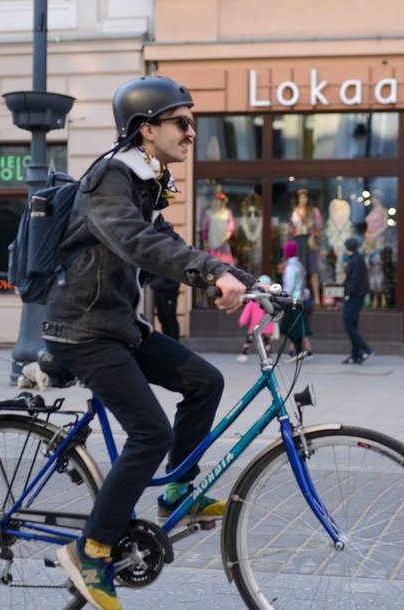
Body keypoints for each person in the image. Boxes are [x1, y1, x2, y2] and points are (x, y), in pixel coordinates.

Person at [42, 75, 256, 610]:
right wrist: (209, 274)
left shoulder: (141, 179)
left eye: (192, 122)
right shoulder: (109, 180)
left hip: (119, 327)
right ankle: (91, 550)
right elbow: (135, 241)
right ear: (145, 129)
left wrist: (235, 275)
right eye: (182, 122)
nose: (190, 132)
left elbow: (163, 239)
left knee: (204, 381)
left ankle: (178, 491)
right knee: (149, 433)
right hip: (84, 330)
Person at [279, 239, 313, 360]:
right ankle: (299, 351)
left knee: (288, 328)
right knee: (297, 328)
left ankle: (298, 351)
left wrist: (283, 298)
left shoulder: (290, 267)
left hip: (292, 301)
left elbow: (290, 285)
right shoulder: (299, 265)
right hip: (300, 299)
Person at [341, 237, 373, 364]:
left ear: (349, 248)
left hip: (354, 297)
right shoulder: (356, 259)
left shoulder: (356, 261)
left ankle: (365, 349)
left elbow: (355, 280)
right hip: (355, 296)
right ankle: (356, 355)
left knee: (348, 326)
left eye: (345, 246)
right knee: (352, 326)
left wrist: (348, 294)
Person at [236, 275, 274, 362]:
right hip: (267, 324)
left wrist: (242, 321)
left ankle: (244, 354)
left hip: (255, 325)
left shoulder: (254, 298)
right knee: (267, 342)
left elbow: (247, 311)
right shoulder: (271, 298)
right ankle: (268, 357)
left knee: (249, 340)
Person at [149, 274, 181, 341]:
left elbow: (175, 285)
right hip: (160, 297)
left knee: (170, 317)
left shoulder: (170, 270)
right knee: (162, 318)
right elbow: (153, 284)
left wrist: (160, 285)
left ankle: (174, 340)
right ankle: (167, 339)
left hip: (169, 296)